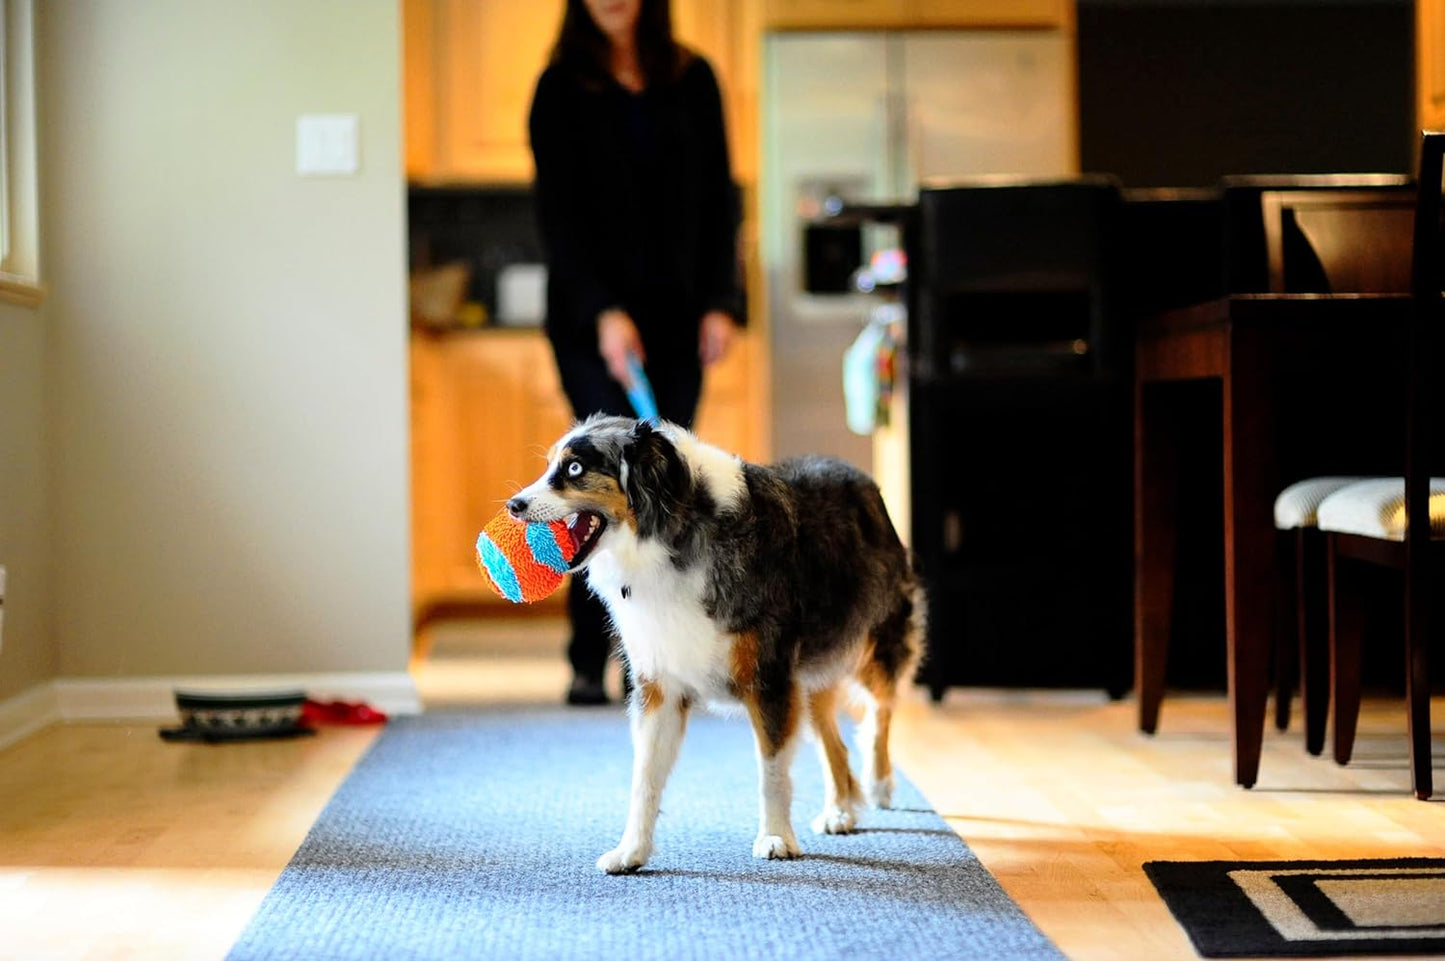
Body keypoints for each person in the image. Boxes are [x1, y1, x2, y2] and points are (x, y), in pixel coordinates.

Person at [528, 0, 743, 705]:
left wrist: (721, 300)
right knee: (593, 481)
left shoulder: (694, 78)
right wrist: (602, 313)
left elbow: (720, 197)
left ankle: (650, 657)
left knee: (659, 488)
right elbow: (558, 216)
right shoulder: (560, 88)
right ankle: (589, 655)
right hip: (592, 319)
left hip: (679, 319)